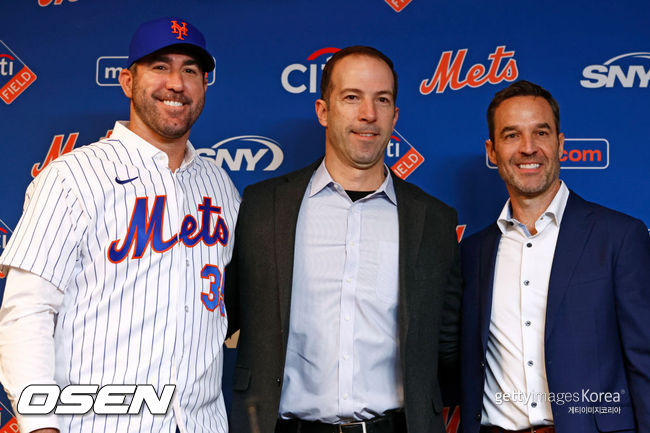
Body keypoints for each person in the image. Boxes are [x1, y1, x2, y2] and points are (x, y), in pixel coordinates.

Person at [0, 17, 239, 433]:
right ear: (128, 81)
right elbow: (27, 310)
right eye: (160, 67)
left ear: (203, 86)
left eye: (190, 70)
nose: (177, 83)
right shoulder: (73, 177)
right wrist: (40, 424)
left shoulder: (220, 185)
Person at [225, 46, 462, 433]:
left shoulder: (434, 220)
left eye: (381, 100)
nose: (368, 114)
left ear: (394, 115)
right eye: (352, 97)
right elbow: (216, 319)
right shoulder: (262, 206)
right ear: (323, 110)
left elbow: (450, 348)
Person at [460, 80, 650, 433]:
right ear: (492, 151)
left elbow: (645, 362)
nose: (528, 148)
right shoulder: (473, 252)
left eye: (541, 133)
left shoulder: (620, 237)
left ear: (560, 144)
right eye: (512, 135)